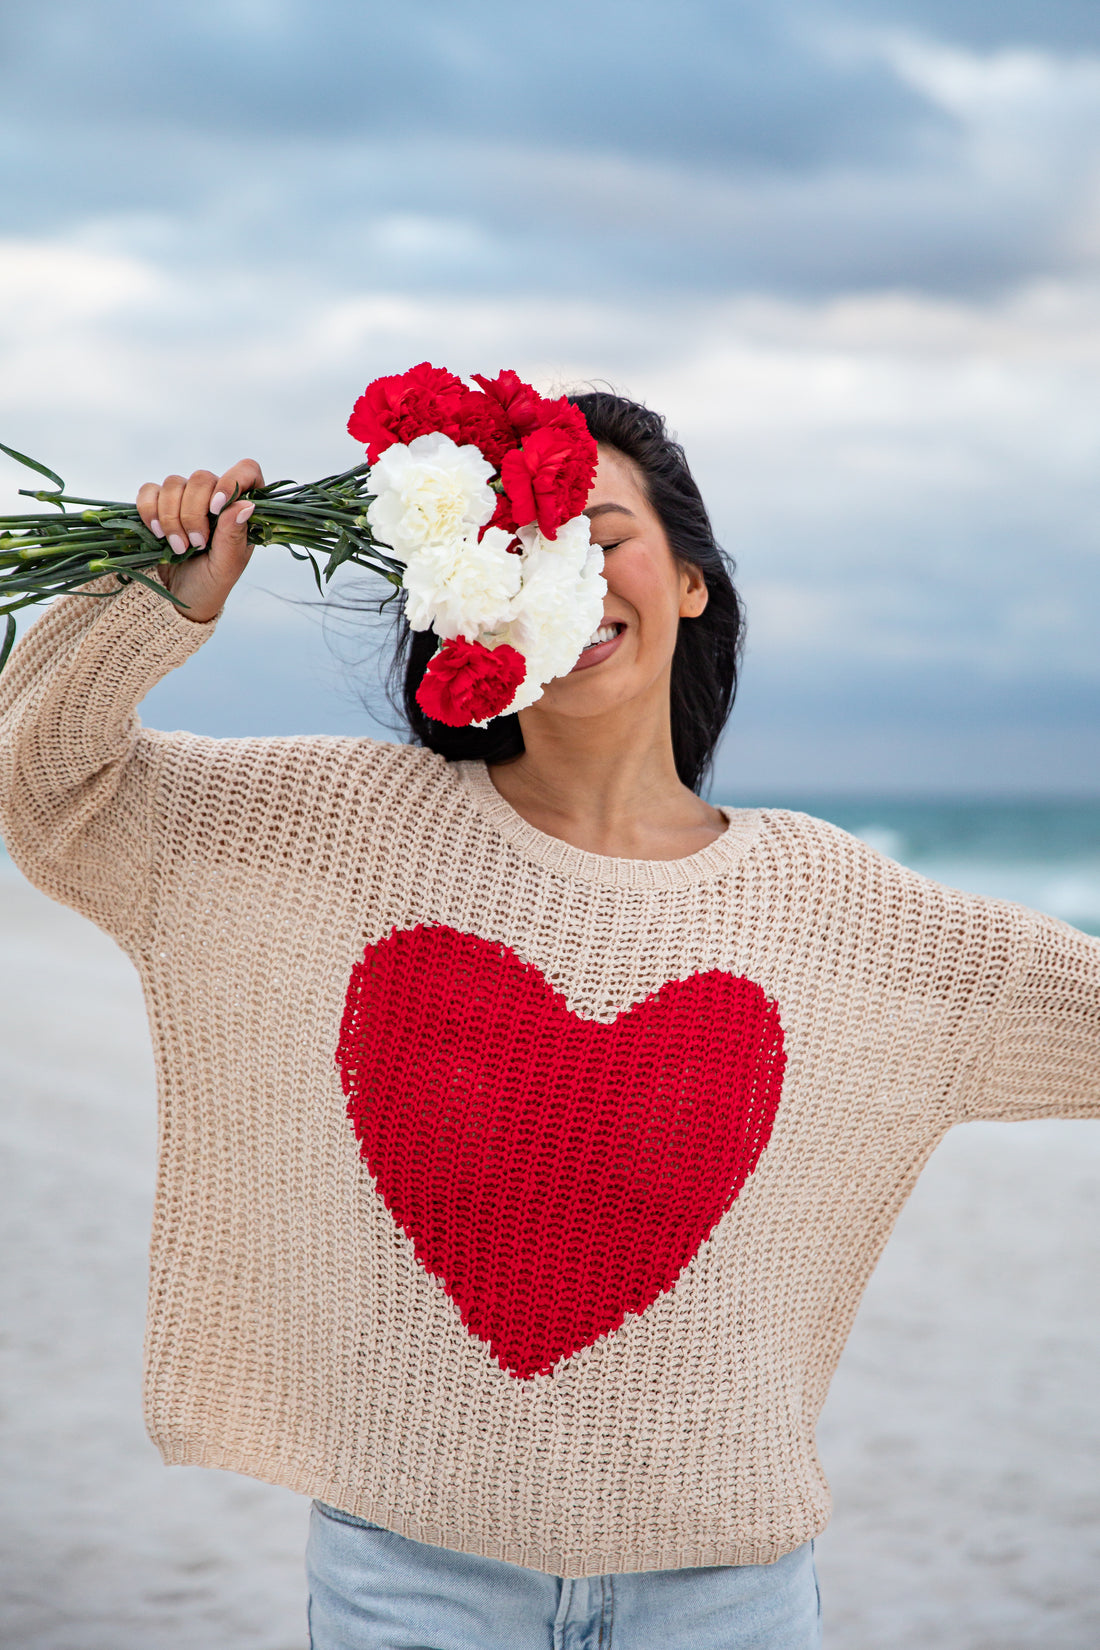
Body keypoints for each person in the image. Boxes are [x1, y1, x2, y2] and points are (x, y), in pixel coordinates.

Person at [0, 391, 1096, 1650]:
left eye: (600, 529)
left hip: (730, 1593)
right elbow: (48, 786)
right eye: (511, 542)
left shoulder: (833, 905)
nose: (562, 565)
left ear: (689, 580)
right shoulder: (330, 826)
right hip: (409, 1577)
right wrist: (159, 600)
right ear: (456, 594)